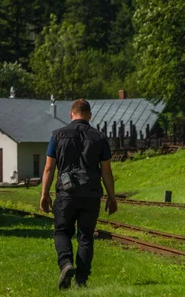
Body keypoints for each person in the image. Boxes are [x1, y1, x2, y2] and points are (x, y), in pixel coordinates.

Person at [40, 99, 118, 289]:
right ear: (89, 115)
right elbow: (106, 171)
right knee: (86, 236)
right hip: (91, 194)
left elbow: (49, 168)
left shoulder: (57, 135)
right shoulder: (99, 137)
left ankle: (66, 264)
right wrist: (112, 197)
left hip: (66, 193)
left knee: (62, 231)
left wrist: (44, 194)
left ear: (71, 114)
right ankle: (81, 280)